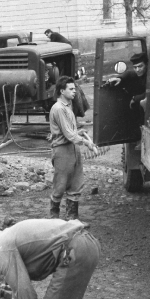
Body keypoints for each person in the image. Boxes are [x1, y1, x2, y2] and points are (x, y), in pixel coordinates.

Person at [48, 76, 96, 220]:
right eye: (71, 89)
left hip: (73, 148)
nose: (75, 92)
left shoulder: (68, 106)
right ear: (62, 91)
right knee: (60, 185)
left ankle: (72, 220)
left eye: (75, 88)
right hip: (62, 150)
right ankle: (54, 220)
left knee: (76, 184)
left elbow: (70, 131)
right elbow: (68, 134)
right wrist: (86, 142)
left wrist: (79, 132)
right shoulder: (58, 109)